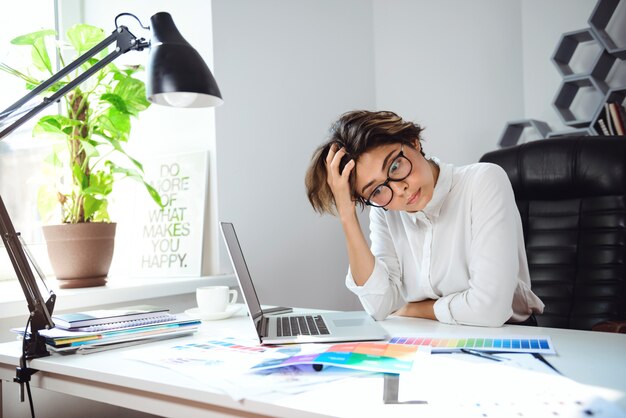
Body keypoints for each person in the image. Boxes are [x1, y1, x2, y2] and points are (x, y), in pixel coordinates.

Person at [305, 110, 544, 327]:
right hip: (434, 339)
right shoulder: (385, 209)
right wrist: (347, 215)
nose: (399, 190)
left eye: (395, 166)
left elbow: (490, 310)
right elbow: (379, 306)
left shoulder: (483, 181)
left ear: (413, 142)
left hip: (510, 338)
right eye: (376, 190)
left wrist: (413, 309)